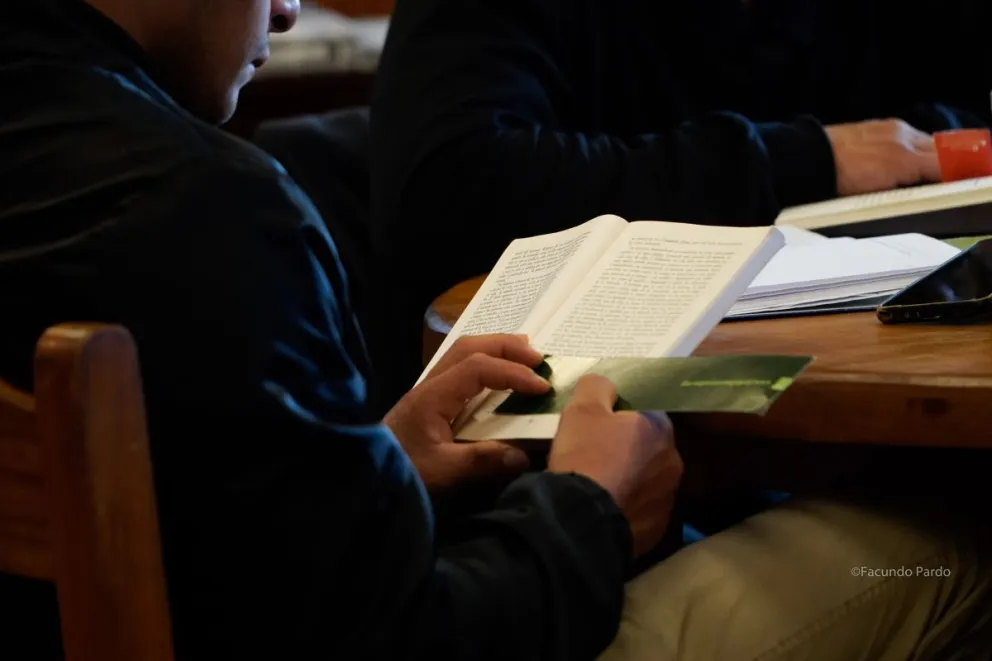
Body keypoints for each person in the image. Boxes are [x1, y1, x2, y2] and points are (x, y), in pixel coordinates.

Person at [0, 1, 991, 660]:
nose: (293, 8)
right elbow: (407, 640)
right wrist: (590, 506)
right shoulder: (205, 208)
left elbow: (243, 538)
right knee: (943, 533)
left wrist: (369, 460)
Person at [367, 0, 992, 402]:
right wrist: (810, 160)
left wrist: (922, 147)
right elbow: (448, 185)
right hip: (565, 442)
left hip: (875, 381)